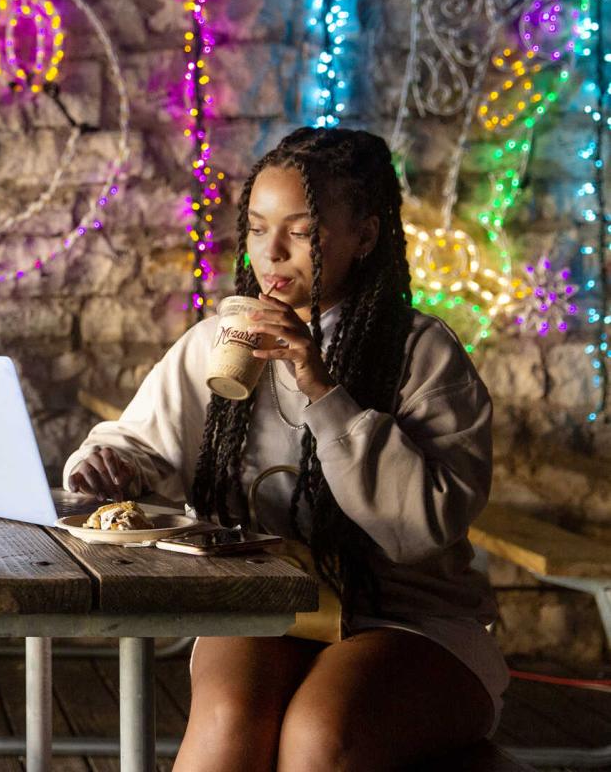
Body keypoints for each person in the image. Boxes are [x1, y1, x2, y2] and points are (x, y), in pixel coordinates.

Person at [63, 128, 505, 771]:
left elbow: (421, 529)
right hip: (267, 600)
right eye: (257, 227)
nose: (272, 253)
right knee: (226, 728)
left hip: (409, 620)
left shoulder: (422, 355)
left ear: (366, 236)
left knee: (319, 737)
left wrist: (322, 386)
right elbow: (131, 440)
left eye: (300, 231)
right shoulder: (217, 341)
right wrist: (111, 467)